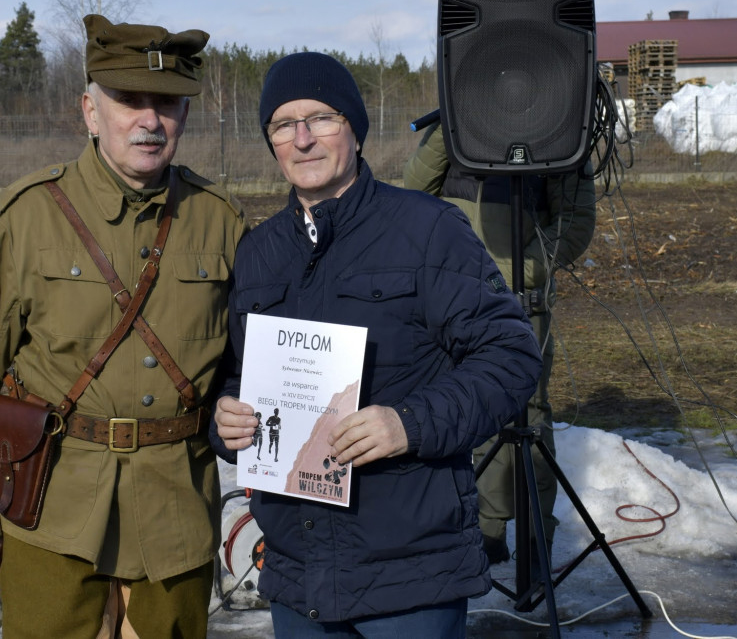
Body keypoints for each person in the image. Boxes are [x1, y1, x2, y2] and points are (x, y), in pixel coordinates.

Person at [210, 51, 543, 637]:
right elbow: (238, 376)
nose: (304, 138)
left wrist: (408, 423)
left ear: (355, 131)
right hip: (297, 571)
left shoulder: (426, 230)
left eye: (323, 118)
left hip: (409, 573)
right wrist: (227, 421)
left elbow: (511, 358)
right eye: (284, 125)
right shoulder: (258, 252)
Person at [0, 14, 248, 639]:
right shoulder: (21, 218)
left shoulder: (220, 221)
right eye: (129, 100)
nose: (150, 120)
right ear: (89, 109)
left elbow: (246, 364)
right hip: (50, 508)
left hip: (175, 516)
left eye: (167, 103)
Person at [403, 120, 597, 566]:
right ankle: (485, 532)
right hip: (453, 300)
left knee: (529, 415)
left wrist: (509, 277)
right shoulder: (455, 125)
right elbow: (414, 192)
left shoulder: (556, 121)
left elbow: (575, 222)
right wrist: (452, 118)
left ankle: (536, 538)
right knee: (463, 409)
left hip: (521, 302)